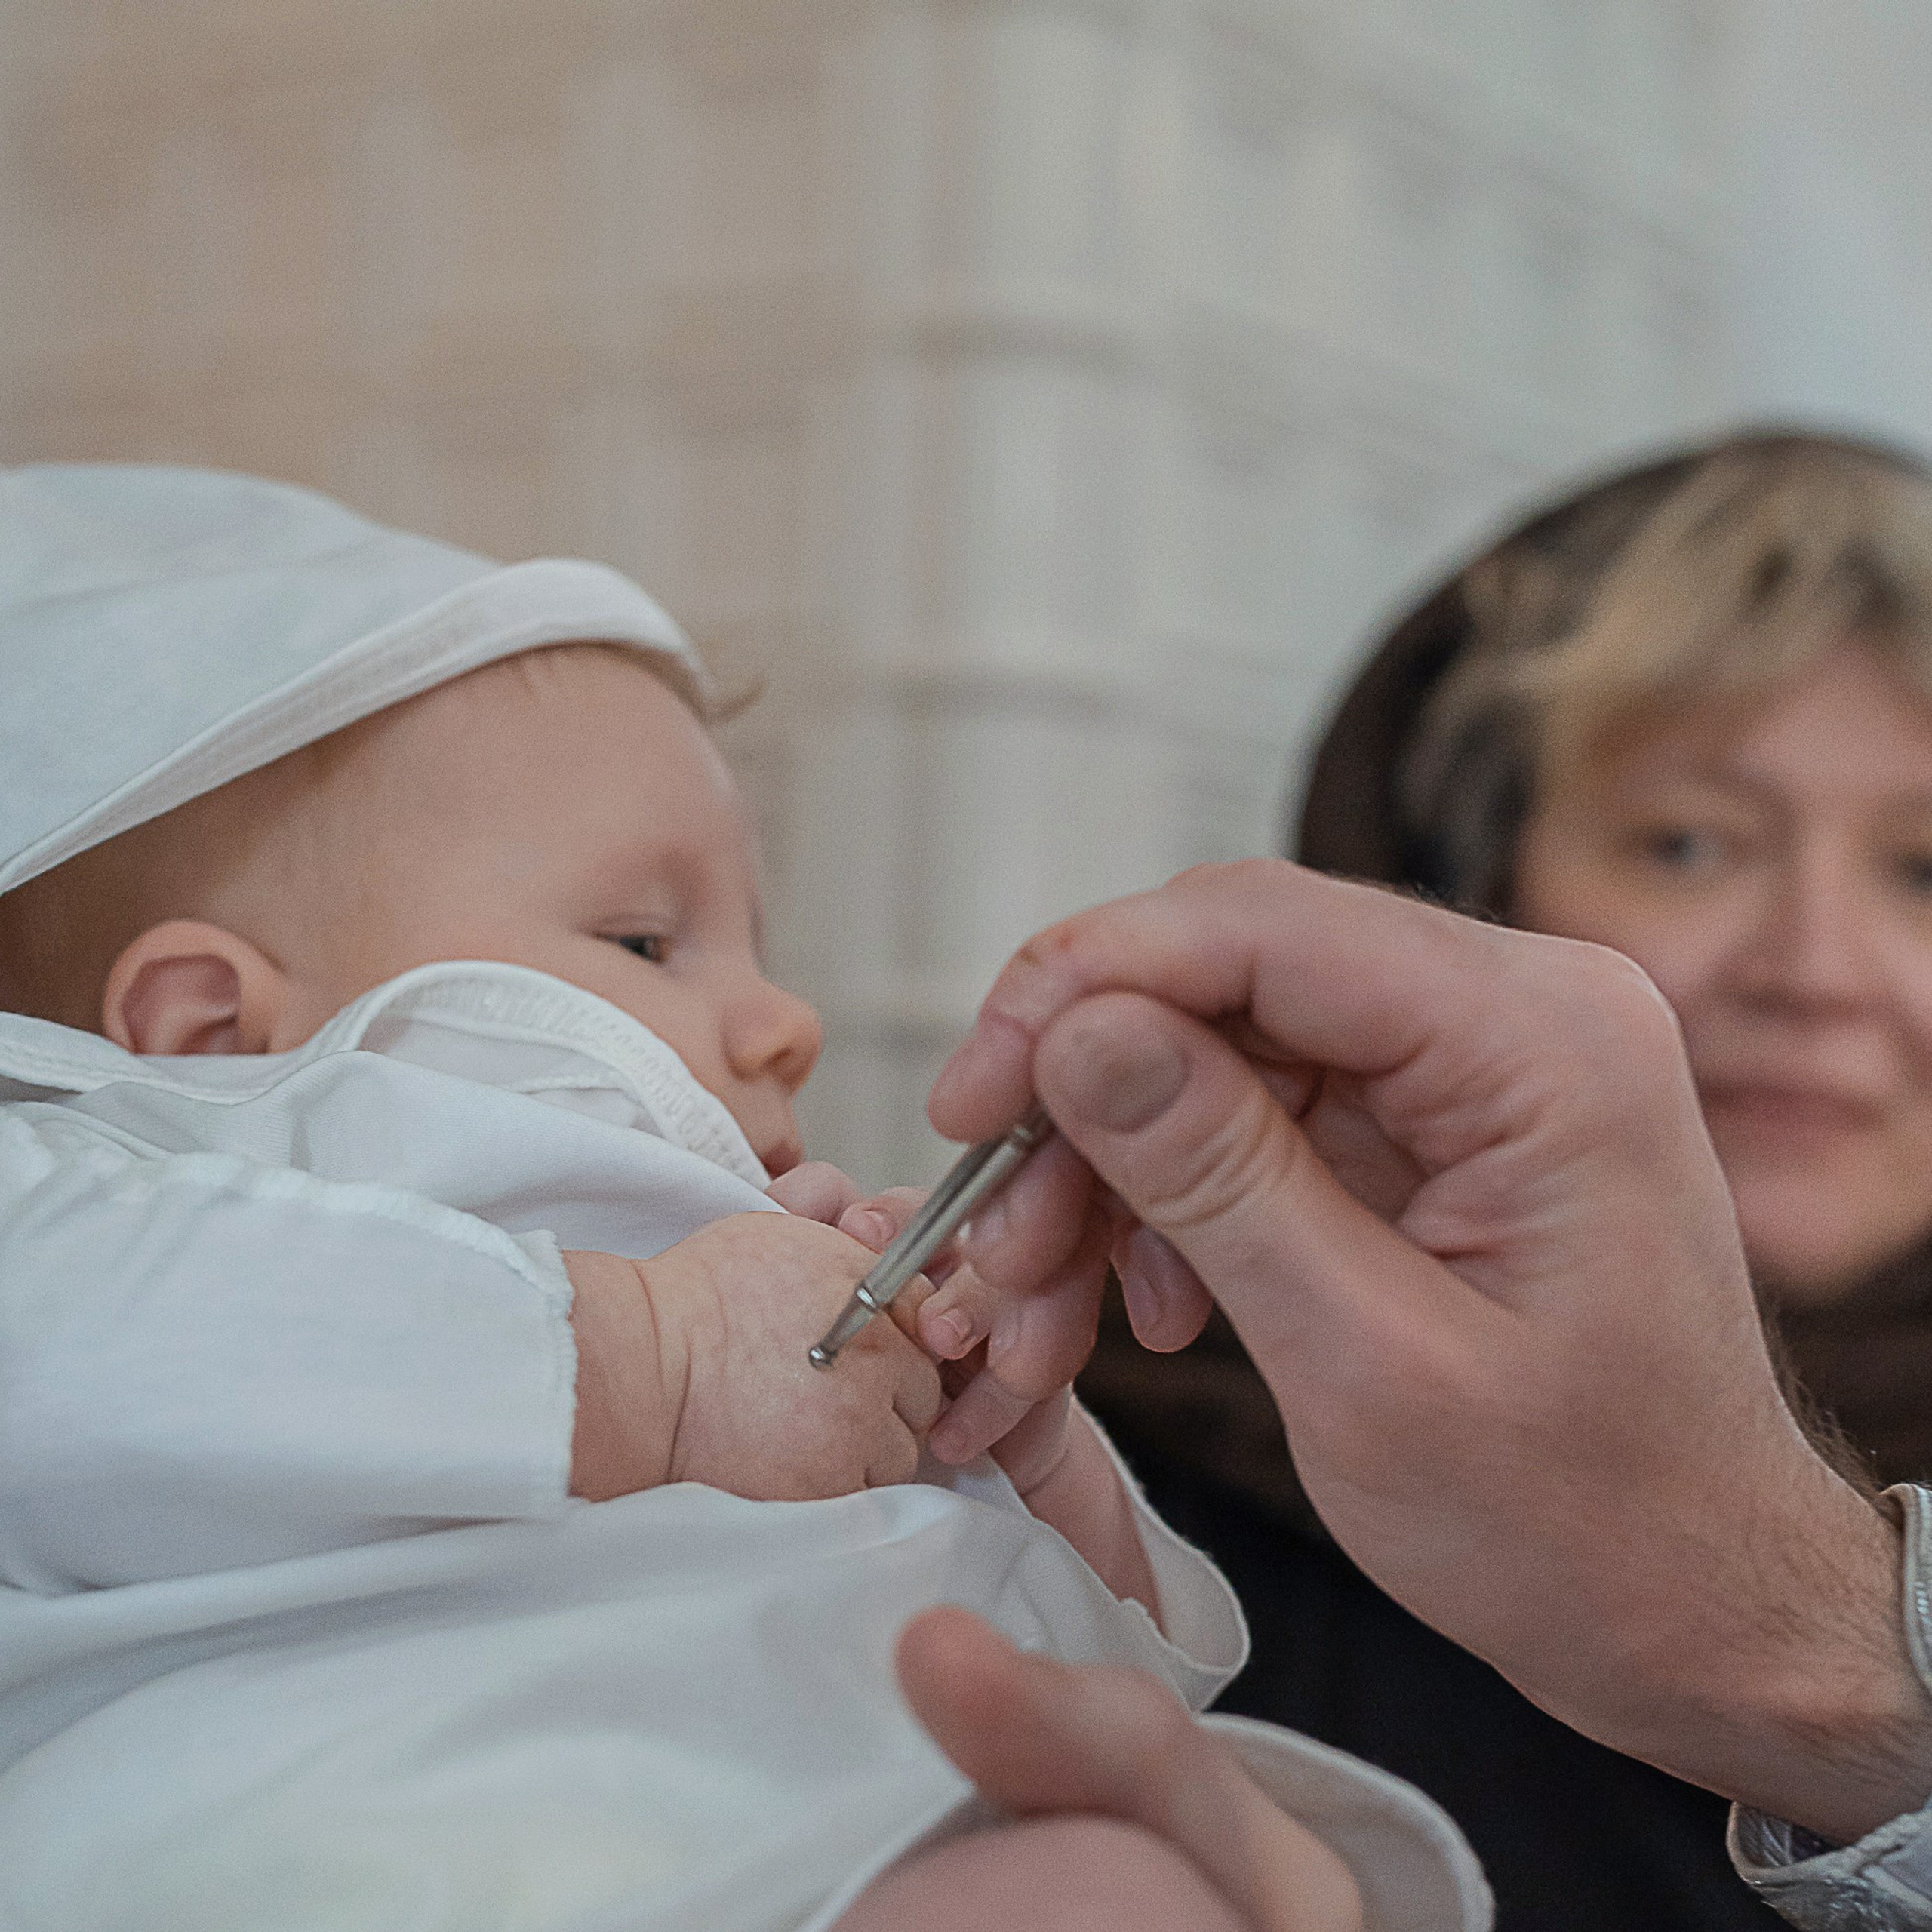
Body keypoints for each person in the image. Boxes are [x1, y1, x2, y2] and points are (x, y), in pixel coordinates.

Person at [0, 463, 1481, 1932]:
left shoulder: (731, 1251)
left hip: (874, 1834)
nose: (784, 1018)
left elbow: (1133, 1696)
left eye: (747, 939)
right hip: (382, 1849)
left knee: (1132, 1875)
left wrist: (1026, 1467)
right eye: (646, 938)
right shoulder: (106, 1197)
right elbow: (73, 1334)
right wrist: (655, 1352)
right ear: (205, 1033)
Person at [910, 447, 1932, 1929]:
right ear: (1465, 890)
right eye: (1685, 841)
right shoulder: (1048, 1446)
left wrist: (1815, 1654)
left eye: (1924, 870)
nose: (1812, 967)